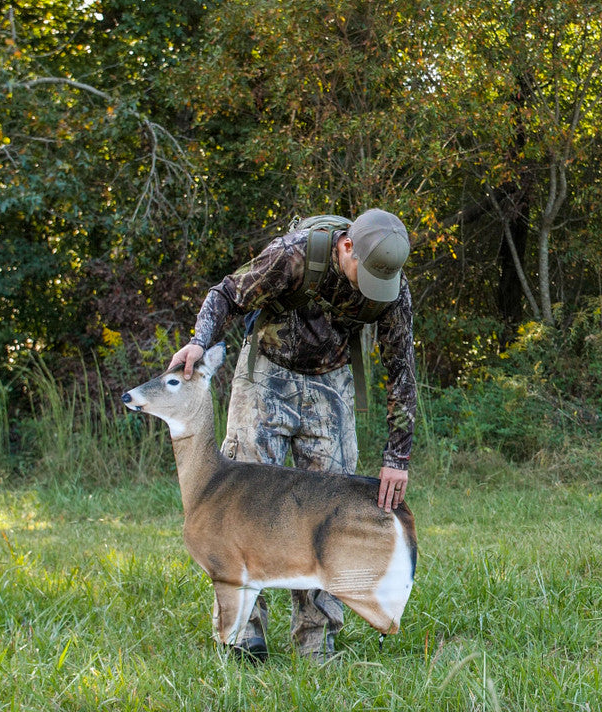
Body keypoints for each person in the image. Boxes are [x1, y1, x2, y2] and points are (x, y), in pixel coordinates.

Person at [168, 208, 416, 663]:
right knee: (240, 503)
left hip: (332, 380)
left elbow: (402, 372)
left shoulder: (393, 290)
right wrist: (201, 341)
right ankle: (244, 635)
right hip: (267, 372)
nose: (374, 289)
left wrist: (397, 457)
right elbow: (226, 294)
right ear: (346, 247)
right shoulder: (293, 255)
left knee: (331, 511)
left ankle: (316, 641)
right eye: (367, 275)